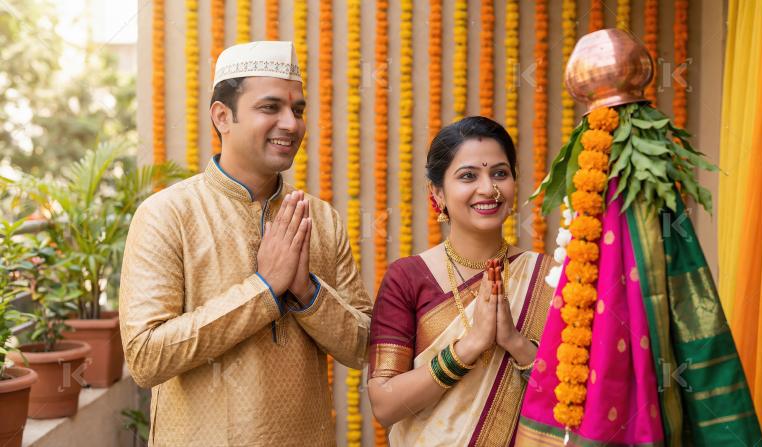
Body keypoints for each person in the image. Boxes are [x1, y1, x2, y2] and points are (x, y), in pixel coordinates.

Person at [119, 41, 372, 446]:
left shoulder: (321, 219)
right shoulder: (166, 214)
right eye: (270, 107)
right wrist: (264, 289)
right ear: (223, 116)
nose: (291, 123)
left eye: (298, 110)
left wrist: (307, 292)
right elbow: (147, 358)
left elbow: (364, 347)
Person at [367, 116, 557, 445]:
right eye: (468, 176)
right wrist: (468, 348)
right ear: (437, 193)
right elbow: (384, 404)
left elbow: (577, 394)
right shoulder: (407, 278)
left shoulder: (549, 277)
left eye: (500, 173)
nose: (488, 188)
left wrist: (516, 344)